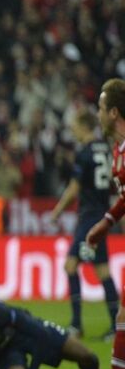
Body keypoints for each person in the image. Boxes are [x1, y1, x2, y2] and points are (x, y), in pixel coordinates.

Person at [72, 78, 125, 369]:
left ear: (114, 113)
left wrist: (104, 222)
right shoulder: (117, 151)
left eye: (101, 108)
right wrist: (106, 222)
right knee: (123, 317)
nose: (98, 114)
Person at [50, 110, 118, 339]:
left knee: (79, 267)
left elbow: (74, 188)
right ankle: (104, 325)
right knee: (92, 267)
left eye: (75, 127)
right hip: (101, 213)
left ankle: (80, 325)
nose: (73, 131)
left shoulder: (84, 152)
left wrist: (57, 211)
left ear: (84, 126)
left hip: (90, 216)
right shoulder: (105, 148)